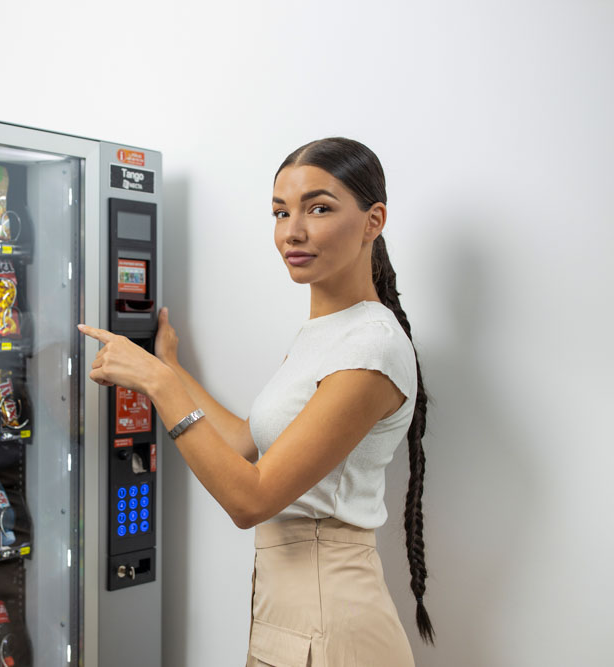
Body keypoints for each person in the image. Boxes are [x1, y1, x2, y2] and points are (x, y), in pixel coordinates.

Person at [79, 137, 433, 666]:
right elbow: (247, 442)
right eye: (280, 212)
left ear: (372, 221)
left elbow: (251, 499)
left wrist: (160, 385)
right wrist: (171, 368)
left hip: (331, 619)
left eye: (319, 208)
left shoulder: (372, 348)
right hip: (290, 607)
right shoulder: (329, 333)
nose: (293, 231)